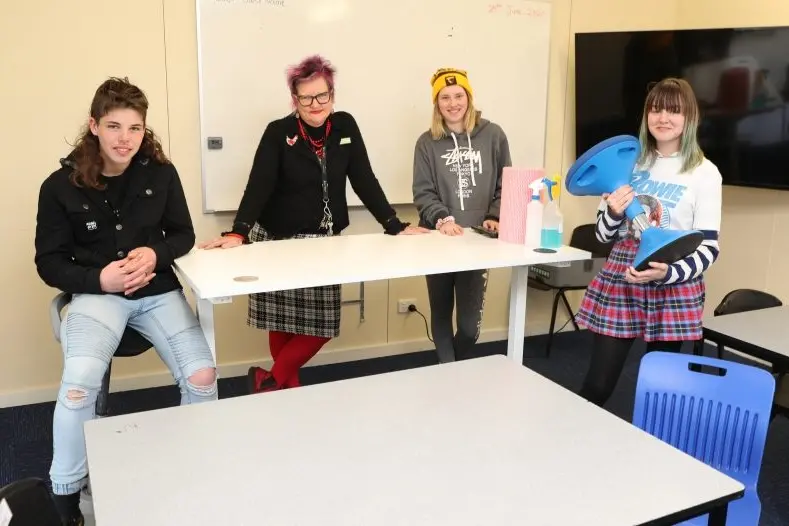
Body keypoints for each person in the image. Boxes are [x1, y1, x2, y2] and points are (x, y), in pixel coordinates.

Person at [34, 77, 218, 525]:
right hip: (98, 295)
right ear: (94, 126)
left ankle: (192, 472)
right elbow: (49, 263)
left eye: (134, 129)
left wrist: (157, 253)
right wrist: (100, 277)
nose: (125, 139)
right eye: (114, 126)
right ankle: (66, 499)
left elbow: (183, 235)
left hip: (156, 292)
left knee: (203, 375)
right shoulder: (59, 186)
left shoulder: (160, 173)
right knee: (79, 385)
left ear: (144, 130)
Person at [199, 55, 428, 393]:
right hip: (277, 241)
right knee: (283, 323)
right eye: (305, 98)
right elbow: (258, 184)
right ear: (295, 99)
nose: (315, 104)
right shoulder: (279, 133)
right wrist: (238, 231)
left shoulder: (345, 126)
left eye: (322, 96)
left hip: (324, 243)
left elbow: (363, 178)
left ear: (332, 95)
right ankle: (286, 391)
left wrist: (393, 223)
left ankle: (270, 381)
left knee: (321, 325)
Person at [574, 77, 722, 406]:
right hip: (623, 274)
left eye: (673, 110)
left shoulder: (704, 173)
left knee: (660, 393)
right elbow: (601, 236)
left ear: (689, 117)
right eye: (655, 109)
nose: (663, 118)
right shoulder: (628, 160)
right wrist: (612, 211)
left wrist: (666, 273)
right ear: (646, 115)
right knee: (596, 386)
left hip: (674, 279)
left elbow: (709, 248)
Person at [412, 68, 512, 363]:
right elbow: (422, 191)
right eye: (445, 97)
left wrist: (495, 215)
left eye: (458, 96)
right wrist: (443, 218)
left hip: (478, 242)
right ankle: (448, 374)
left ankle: (449, 369)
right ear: (437, 103)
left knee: (469, 328)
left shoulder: (493, 135)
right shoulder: (426, 142)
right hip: (438, 239)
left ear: (468, 98)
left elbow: (504, 183)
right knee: (441, 315)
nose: (453, 103)